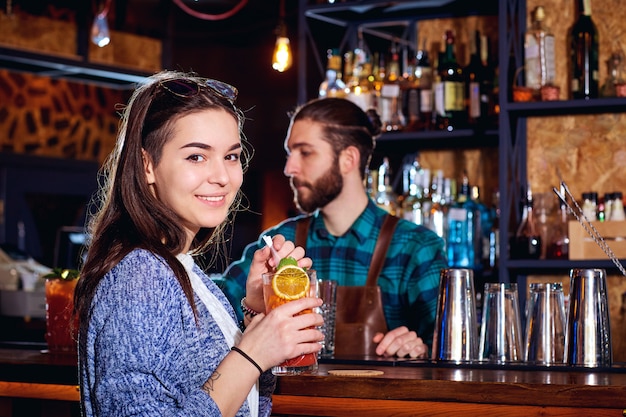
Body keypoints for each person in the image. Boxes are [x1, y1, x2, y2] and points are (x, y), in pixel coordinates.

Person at [73, 70, 323, 417]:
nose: (222, 177)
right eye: (196, 156)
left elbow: (242, 407)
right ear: (147, 164)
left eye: (231, 156)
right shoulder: (140, 275)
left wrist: (255, 316)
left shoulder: (181, 269)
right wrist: (251, 353)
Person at [223, 97, 447, 359]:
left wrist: (420, 349)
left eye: (305, 152)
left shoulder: (415, 247)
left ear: (348, 159)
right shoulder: (280, 243)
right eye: (289, 153)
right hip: (294, 401)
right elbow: (212, 307)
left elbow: (450, 349)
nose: (289, 168)